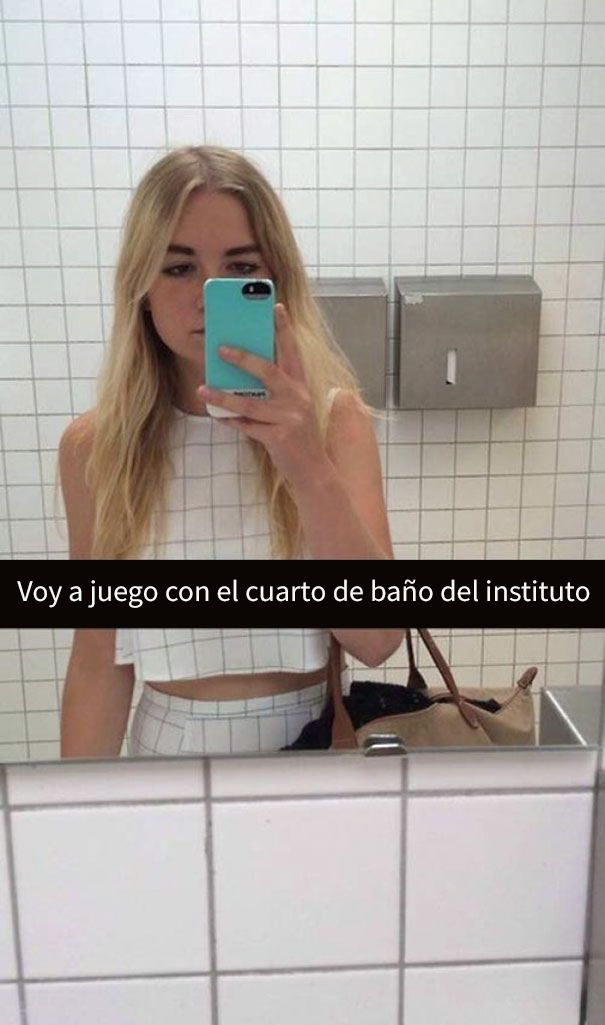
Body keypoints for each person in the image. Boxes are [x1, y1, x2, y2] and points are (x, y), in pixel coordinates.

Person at [58, 145, 402, 758]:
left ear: (275, 283)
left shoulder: (333, 424)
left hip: (313, 743)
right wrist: (77, 806)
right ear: (141, 285)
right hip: (169, 748)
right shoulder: (96, 448)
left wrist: (304, 462)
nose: (205, 295)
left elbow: (376, 640)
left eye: (239, 267)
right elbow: (97, 662)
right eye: (179, 267)